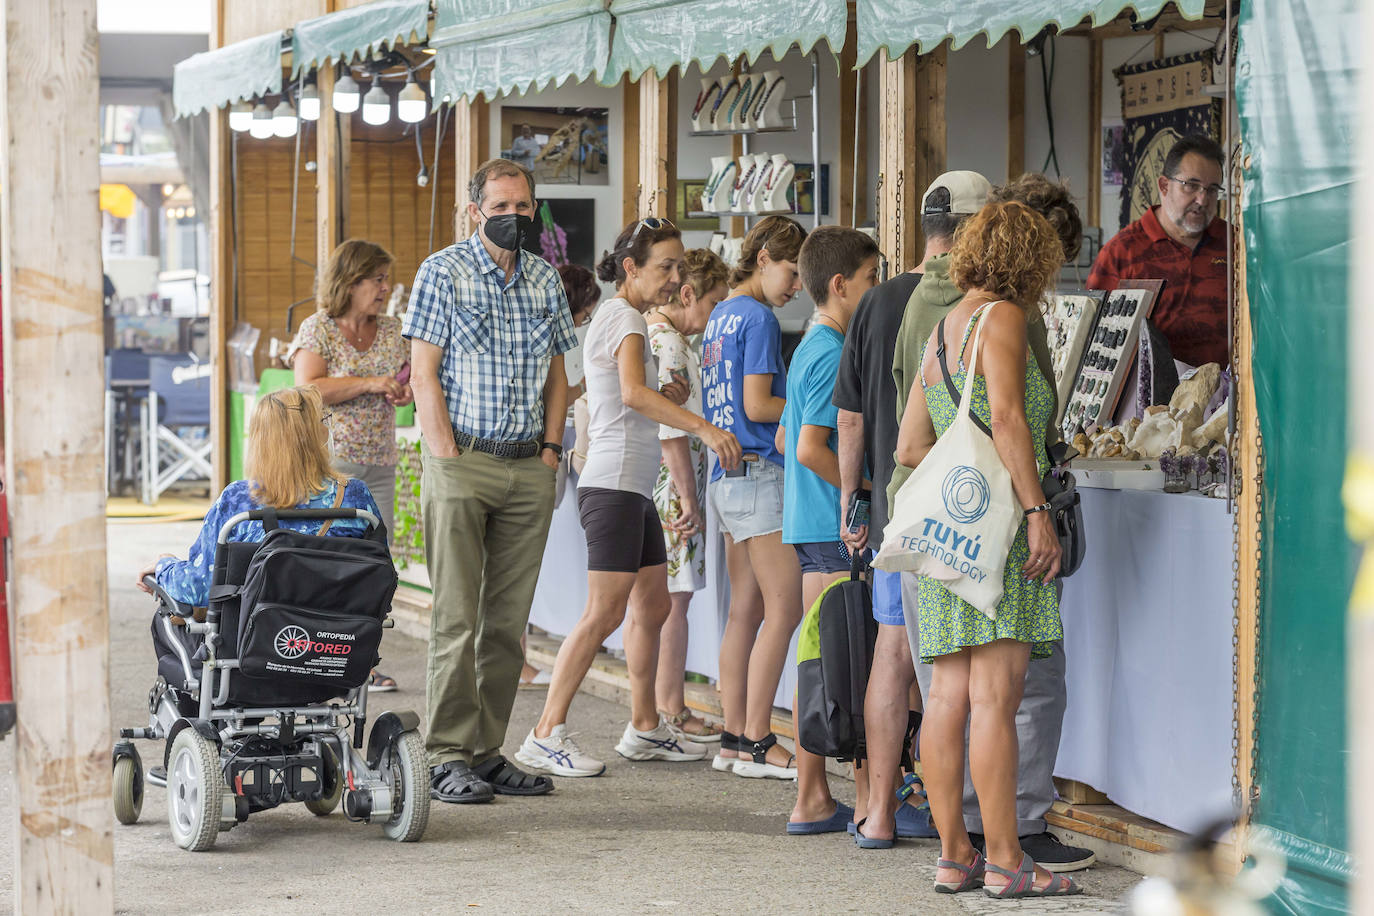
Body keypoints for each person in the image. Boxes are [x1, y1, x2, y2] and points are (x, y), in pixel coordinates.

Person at [896, 172, 1095, 871]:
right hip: (1004, 537)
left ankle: (955, 855)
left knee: (944, 696)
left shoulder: (944, 326)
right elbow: (1009, 418)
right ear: (1031, 262)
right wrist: (1035, 509)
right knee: (997, 700)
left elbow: (909, 446)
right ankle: (1008, 859)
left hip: (948, 534)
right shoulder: (1004, 318)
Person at [515, 219, 741, 777]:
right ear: (631, 269)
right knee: (605, 613)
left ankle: (644, 726)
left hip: (631, 487)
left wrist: (668, 396)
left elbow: (617, 392)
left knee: (654, 606)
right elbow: (635, 396)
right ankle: (545, 733)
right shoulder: (624, 317)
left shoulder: (625, 320)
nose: (675, 278)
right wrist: (701, 427)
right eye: (665, 267)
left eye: (679, 267)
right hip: (614, 486)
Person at [404, 157, 579, 804]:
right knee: (456, 618)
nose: (512, 217)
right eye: (500, 207)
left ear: (534, 210)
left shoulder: (544, 280)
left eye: (522, 207)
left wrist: (551, 451)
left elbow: (559, 376)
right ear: (476, 210)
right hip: (463, 463)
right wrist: (445, 453)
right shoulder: (441, 272)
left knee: (507, 624)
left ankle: (484, 750)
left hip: (527, 464)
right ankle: (445, 754)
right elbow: (423, 373)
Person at [833, 177, 971, 844]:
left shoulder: (879, 301)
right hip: (966, 513)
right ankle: (959, 824)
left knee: (894, 655)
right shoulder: (981, 304)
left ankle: (880, 814)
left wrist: (851, 496)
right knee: (962, 669)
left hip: (895, 507)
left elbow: (851, 417)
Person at [778, 227, 879, 838]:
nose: (876, 292)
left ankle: (813, 796)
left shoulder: (815, 345)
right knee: (845, 665)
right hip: (828, 525)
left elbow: (796, 438)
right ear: (840, 287)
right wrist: (862, 486)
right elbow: (811, 446)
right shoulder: (828, 352)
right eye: (870, 282)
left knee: (821, 664)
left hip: (813, 522)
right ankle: (857, 796)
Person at [700, 215, 807, 779]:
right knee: (785, 607)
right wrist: (814, 416)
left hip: (726, 479)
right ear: (763, 258)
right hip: (760, 472)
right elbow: (760, 405)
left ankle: (733, 736)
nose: (796, 288)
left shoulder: (720, 314)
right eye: (791, 272)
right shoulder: (759, 318)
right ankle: (760, 738)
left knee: (745, 611)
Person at [291, 238, 412, 693]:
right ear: (350, 280)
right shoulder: (318, 328)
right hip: (331, 463)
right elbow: (309, 389)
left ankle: (362, 661)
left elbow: (407, 378)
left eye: (386, 278)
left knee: (374, 563)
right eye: (376, 279)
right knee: (327, 561)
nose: (385, 287)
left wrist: (402, 389)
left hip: (380, 461)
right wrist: (370, 382)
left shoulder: (393, 330)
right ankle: (317, 654)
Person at [137, 386, 382, 606]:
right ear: (316, 436)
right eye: (324, 421)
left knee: (168, 628)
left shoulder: (238, 499)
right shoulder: (355, 496)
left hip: (253, 645)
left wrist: (164, 566)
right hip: (340, 641)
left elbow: (199, 589)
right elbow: (379, 573)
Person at [644, 248, 731, 740]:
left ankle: (661, 705)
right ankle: (672, 706)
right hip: (673, 486)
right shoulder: (673, 345)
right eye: (714, 304)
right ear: (687, 295)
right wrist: (689, 496)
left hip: (665, 483)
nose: (716, 317)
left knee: (665, 599)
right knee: (676, 601)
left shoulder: (654, 333)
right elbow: (670, 430)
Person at [519, 262, 603, 691]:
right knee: (516, 565)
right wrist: (586, 386)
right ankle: (518, 662)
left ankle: (517, 659)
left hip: (532, 455)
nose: (584, 322)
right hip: (533, 458)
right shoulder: (549, 335)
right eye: (585, 314)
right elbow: (548, 397)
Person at [1087, 133, 1229, 368]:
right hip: (1149, 400)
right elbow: (1093, 341)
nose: (1202, 200)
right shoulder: (1121, 254)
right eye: (1191, 186)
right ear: (1164, 186)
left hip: (1225, 398)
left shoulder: (1235, 245)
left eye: (1212, 189)